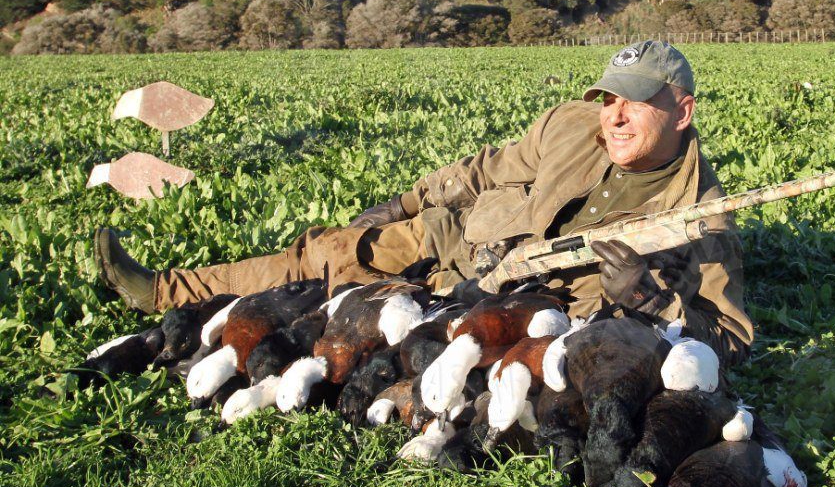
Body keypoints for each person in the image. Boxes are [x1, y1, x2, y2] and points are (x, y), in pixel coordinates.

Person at [95, 40, 753, 365]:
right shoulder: (571, 126)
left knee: (374, 332)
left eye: (633, 101)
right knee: (329, 253)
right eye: (608, 98)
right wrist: (406, 201)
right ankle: (164, 292)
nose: (614, 116)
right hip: (463, 238)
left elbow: (730, 339)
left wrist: (647, 299)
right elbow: (492, 167)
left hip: (527, 310)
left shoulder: (702, 217)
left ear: (683, 111)